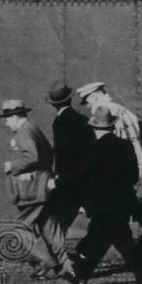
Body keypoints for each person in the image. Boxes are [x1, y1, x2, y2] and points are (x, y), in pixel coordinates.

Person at [70, 107, 142, 284]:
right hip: (122, 202)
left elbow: (81, 175)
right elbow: (134, 175)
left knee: (120, 241)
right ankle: (82, 275)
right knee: (99, 238)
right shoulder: (125, 146)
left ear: (94, 128)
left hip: (100, 204)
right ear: (111, 126)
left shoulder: (92, 148)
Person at [0, 100, 72, 280]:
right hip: (41, 186)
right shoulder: (32, 129)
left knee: (21, 228)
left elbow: (33, 156)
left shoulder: (24, 131)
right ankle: (68, 266)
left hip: (33, 191)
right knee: (50, 227)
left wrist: (12, 166)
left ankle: (46, 260)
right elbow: (47, 154)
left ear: (15, 117)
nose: (6, 123)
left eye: (7, 119)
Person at [45, 80, 95, 240]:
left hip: (68, 179)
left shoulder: (59, 122)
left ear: (53, 104)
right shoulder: (83, 119)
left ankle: (56, 255)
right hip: (84, 176)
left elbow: (62, 152)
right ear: (70, 99)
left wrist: (58, 177)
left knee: (59, 218)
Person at [75, 82, 142, 174]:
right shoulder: (121, 109)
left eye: (87, 102)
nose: (87, 106)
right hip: (134, 162)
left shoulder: (107, 112)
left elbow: (113, 145)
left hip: (119, 166)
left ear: (94, 97)